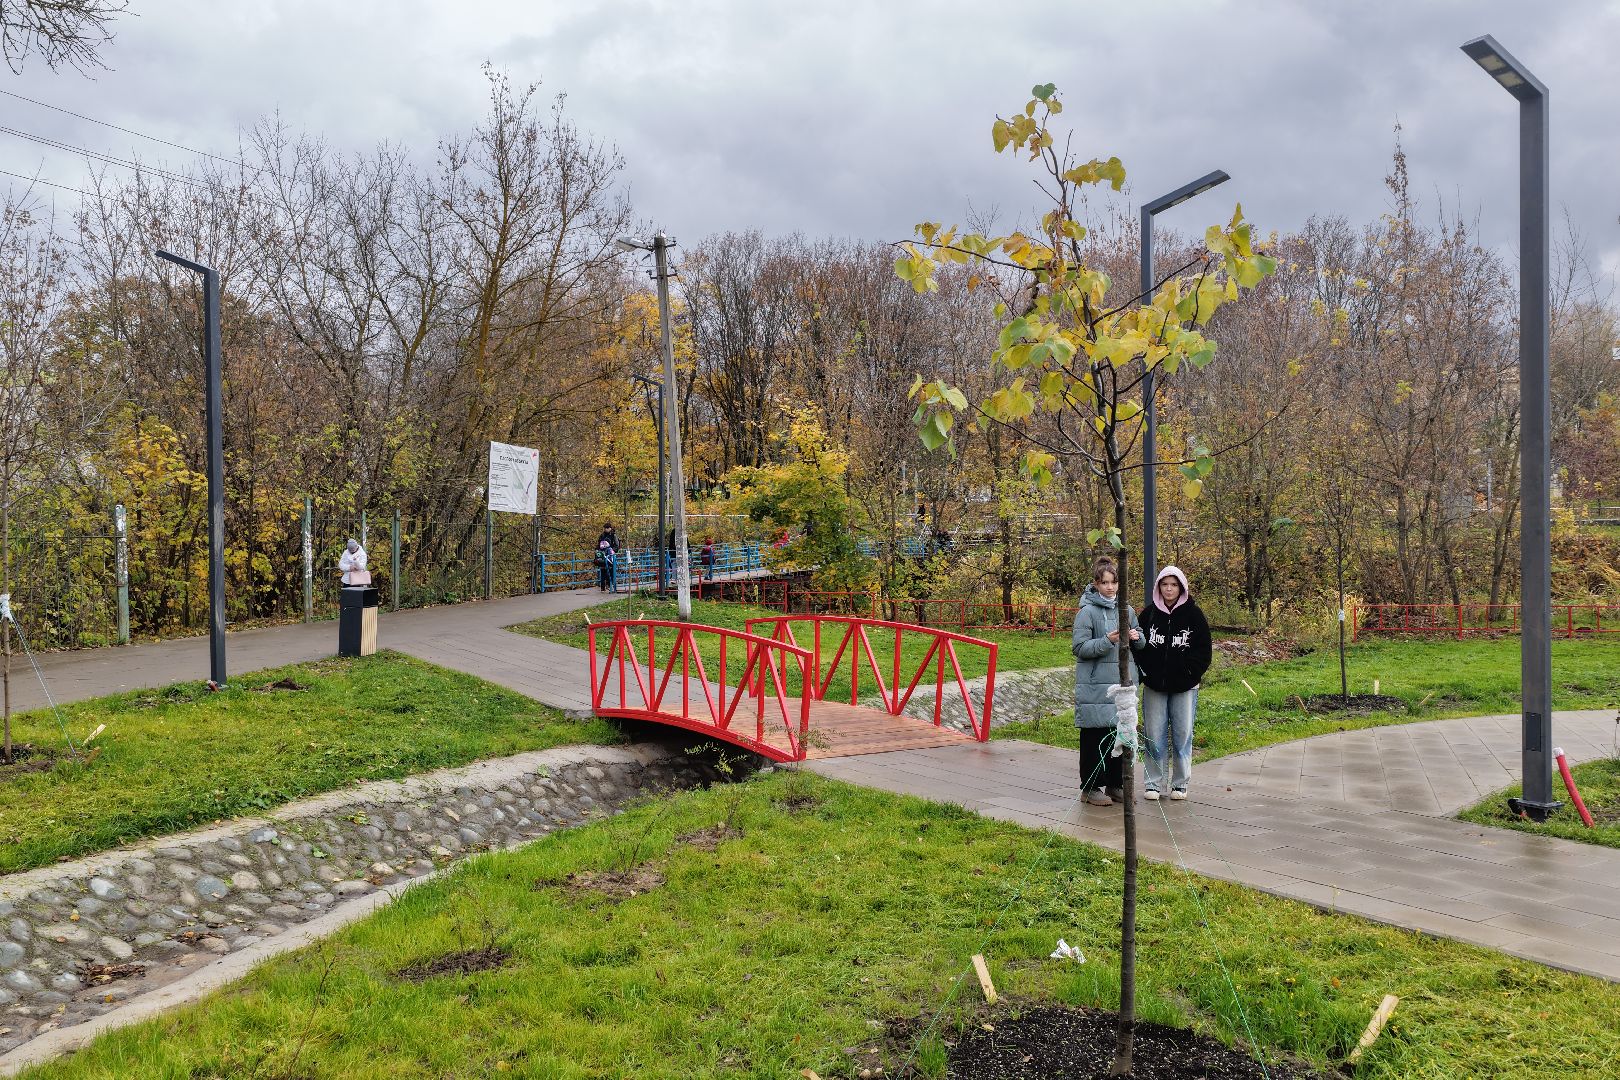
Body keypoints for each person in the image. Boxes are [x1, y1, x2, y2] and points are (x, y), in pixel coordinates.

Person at [1135, 565, 1212, 801]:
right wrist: (1145, 672)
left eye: (1174, 585)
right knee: (1153, 735)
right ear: (1158, 587)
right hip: (1155, 687)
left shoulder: (1194, 615)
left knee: (1182, 735)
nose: (1169, 589)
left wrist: (1190, 672)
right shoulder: (1148, 615)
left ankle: (1180, 784)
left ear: (1181, 587)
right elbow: (1139, 647)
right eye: (1165, 584)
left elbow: (1204, 651)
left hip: (1185, 687)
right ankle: (1153, 784)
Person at [1072, 555, 1141, 806]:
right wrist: (1107, 641)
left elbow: (1141, 639)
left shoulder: (1128, 610)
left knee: (1118, 736)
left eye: (1113, 582)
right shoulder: (1086, 613)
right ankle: (1090, 788)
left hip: (1121, 685)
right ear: (1095, 584)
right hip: (1095, 687)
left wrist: (1136, 636)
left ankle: (1115, 784)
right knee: (1094, 738)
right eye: (1104, 583)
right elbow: (1080, 648)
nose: (1109, 587)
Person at [595, 523, 617, 592]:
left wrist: (611, 551)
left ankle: (609, 584)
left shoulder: (613, 535)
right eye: (605, 528)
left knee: (610, 570)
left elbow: (616, 546)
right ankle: (603, 587)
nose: (606, 529)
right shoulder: (602, 535)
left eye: (607, 528)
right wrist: (598, 551)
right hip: (602, 555)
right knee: (603, 570)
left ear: (610, 528)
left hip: (610, 555)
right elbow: (598, 545)